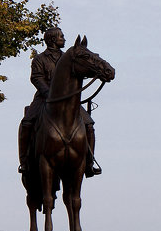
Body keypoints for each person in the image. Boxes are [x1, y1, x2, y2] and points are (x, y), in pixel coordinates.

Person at [17, 27, 102, 177]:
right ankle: (25, 162)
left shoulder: (69, 58)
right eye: (61, 36)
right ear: (52, 39)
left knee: (89, 125)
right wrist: (47, 92)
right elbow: (36, 77)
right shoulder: (39, 59)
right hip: (44, 98)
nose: (63, 39)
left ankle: (89, 162)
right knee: (27, 123)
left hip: (68, 100)